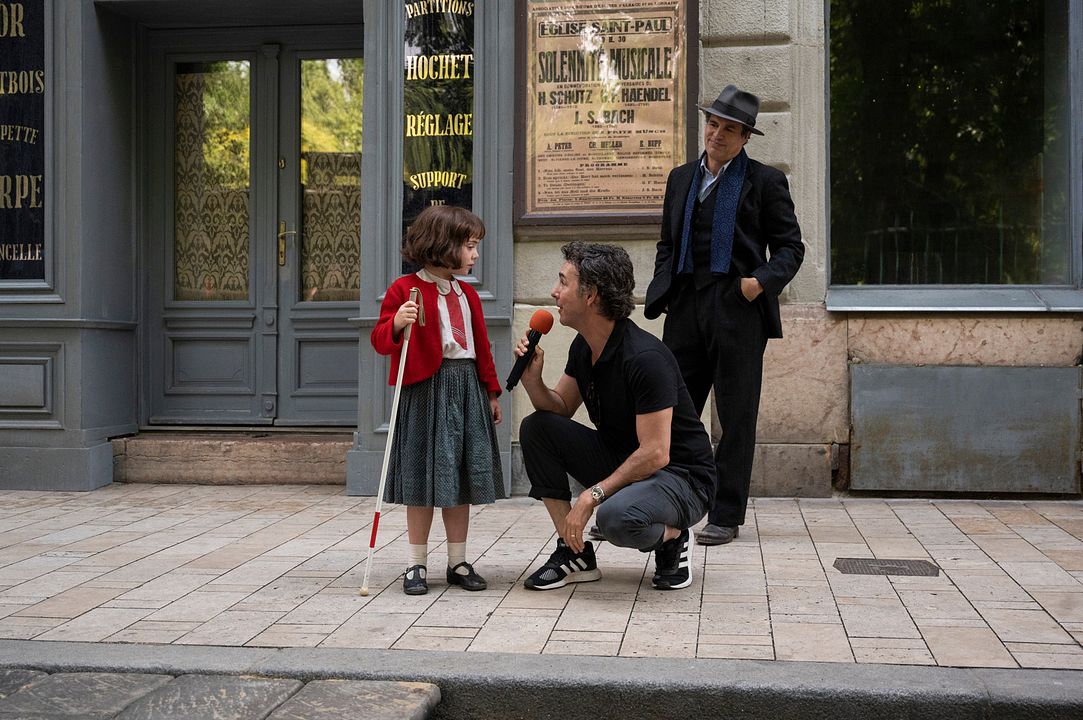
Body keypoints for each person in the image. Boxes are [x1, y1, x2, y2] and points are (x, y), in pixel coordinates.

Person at [644, 84, 804, 546]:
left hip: (738, 308)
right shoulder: (680, 178)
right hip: (687, 305)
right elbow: (667, 244)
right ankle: (668, 501)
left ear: (745, 137)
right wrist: (665, 288)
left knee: (736, 415)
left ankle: (726, 514)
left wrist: (757, 284)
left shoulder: (766, 181)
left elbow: (792, 249)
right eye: (712, 124)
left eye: (728, 129)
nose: (716, 134)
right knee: (673, 411)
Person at [516, 242, 716, 591]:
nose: (554, 291)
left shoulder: (644, 358)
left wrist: (592, 495)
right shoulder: (584, 347)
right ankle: (574, 550)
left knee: (615, 518)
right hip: (627, 461)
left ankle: (672, 538)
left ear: (591, 294)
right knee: (537, 428)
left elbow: (656, 452)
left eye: (563, 282)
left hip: (682, 477)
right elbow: (560, 407)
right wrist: (533, 382)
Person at [371, 205, 503, 595]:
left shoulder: (469, 295)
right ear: (444, 245)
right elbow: (381, 341)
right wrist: (397, 322)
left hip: (466, 388)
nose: (475, 255)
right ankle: (416, 564)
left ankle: (458, 561)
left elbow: (481, 347)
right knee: (423, 477)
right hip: (425, 389)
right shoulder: (404, 290)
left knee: (458, 477)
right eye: (470, 246)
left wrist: (491, 392)